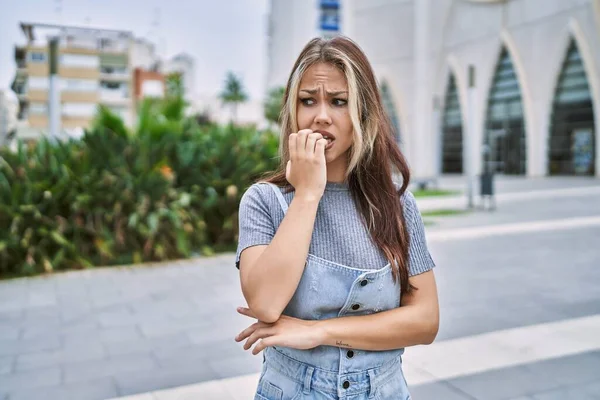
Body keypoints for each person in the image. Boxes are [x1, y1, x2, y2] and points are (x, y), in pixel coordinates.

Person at [234, 36, 439, 400]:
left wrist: (320, 332)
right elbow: (265, 303)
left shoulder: (396, 204)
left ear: (362, 113)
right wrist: (308, 193)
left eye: (339, 102)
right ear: (292, 112)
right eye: (307, 100)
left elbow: (425, 321)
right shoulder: (264, 201)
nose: (321, 115)